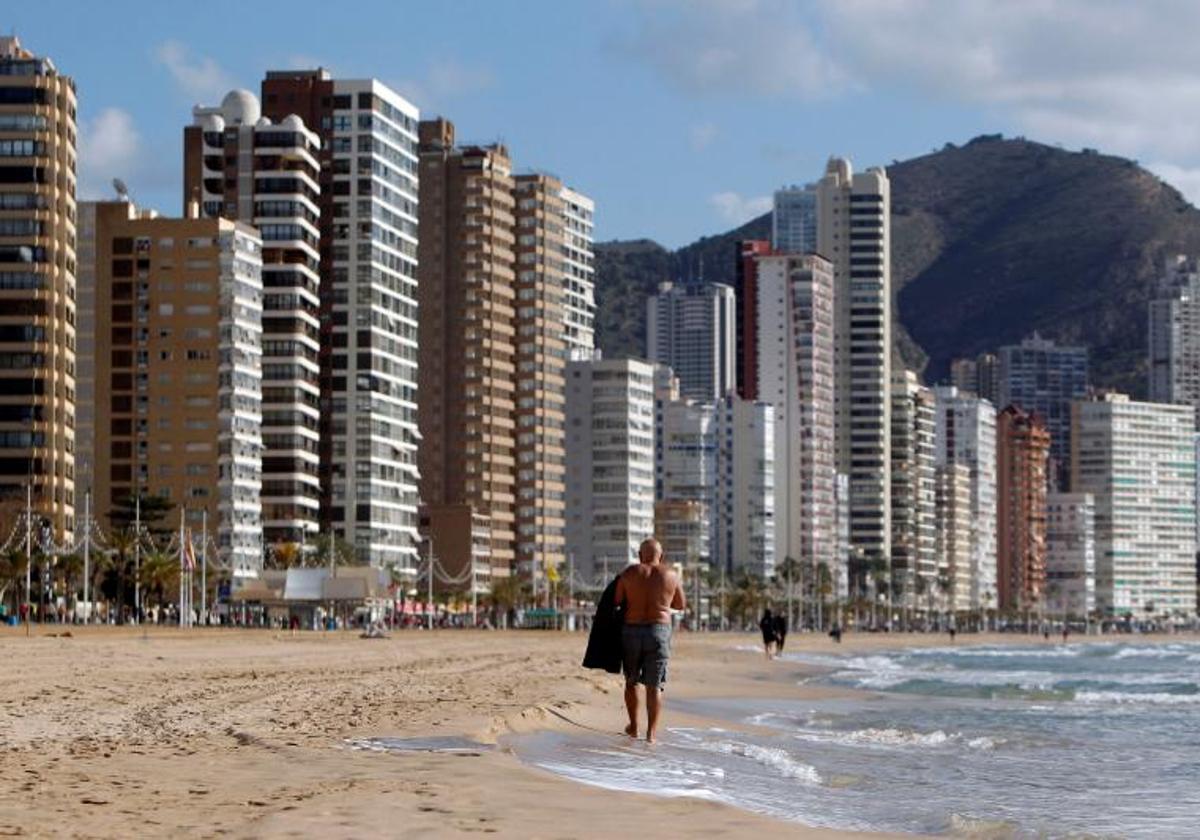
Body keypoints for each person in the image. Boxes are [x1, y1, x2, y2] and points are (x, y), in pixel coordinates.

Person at [614, 538, 685, 743]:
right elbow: (680, 605)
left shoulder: (629, 573)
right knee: (654, 686)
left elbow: (617, 600)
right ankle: (651, 734)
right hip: (658, 630)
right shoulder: (671, 574)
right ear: (661, 556)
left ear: (640, 555)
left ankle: (634, 727)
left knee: (631, 682)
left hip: (631, 631)